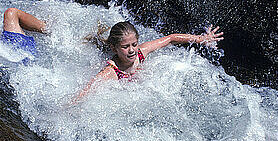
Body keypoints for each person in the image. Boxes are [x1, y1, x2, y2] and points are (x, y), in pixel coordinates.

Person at [76, 21, 223, 99]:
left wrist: (200, 39)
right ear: (115, 49)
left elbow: (170, 39)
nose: (132, 50)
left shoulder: (141, 52)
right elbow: (86, 92)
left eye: (134, 44)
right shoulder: (111, 72)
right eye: (125, 47)